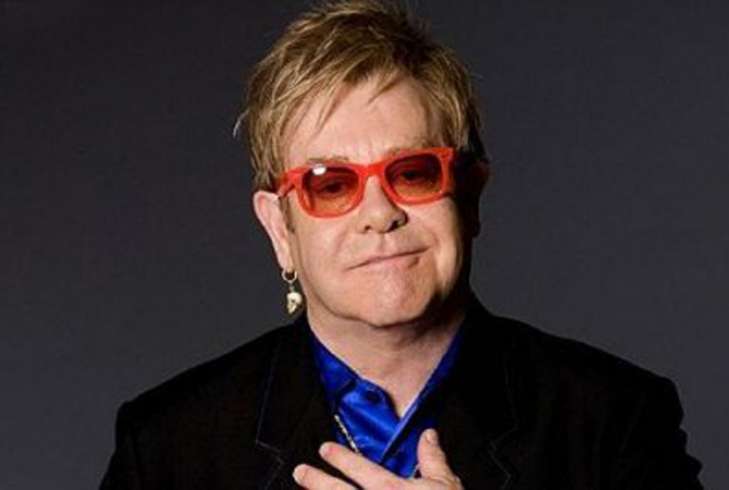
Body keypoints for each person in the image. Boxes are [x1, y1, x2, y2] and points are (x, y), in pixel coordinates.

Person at [100, 1, 703, 488]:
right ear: (280, 229)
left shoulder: (613, 419)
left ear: (469, 195)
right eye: (330, 184)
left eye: (413, 173)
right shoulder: (168, 446)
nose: (380, 214)